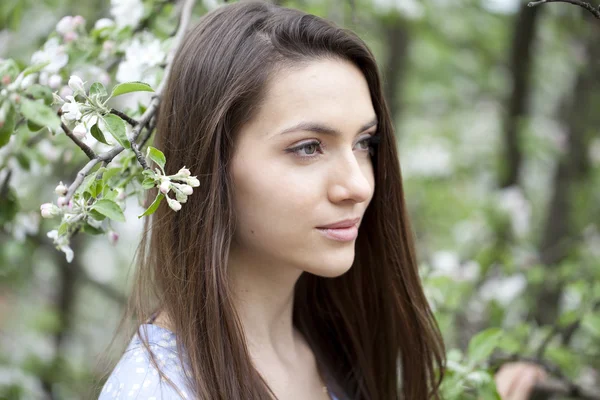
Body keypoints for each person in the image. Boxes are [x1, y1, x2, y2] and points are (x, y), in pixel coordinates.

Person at [97, 1, 545, 399]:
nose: (359, 186)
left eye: (365, 143)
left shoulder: (341, 352)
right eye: (308, 147)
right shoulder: (156, 389)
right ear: (206, 165)